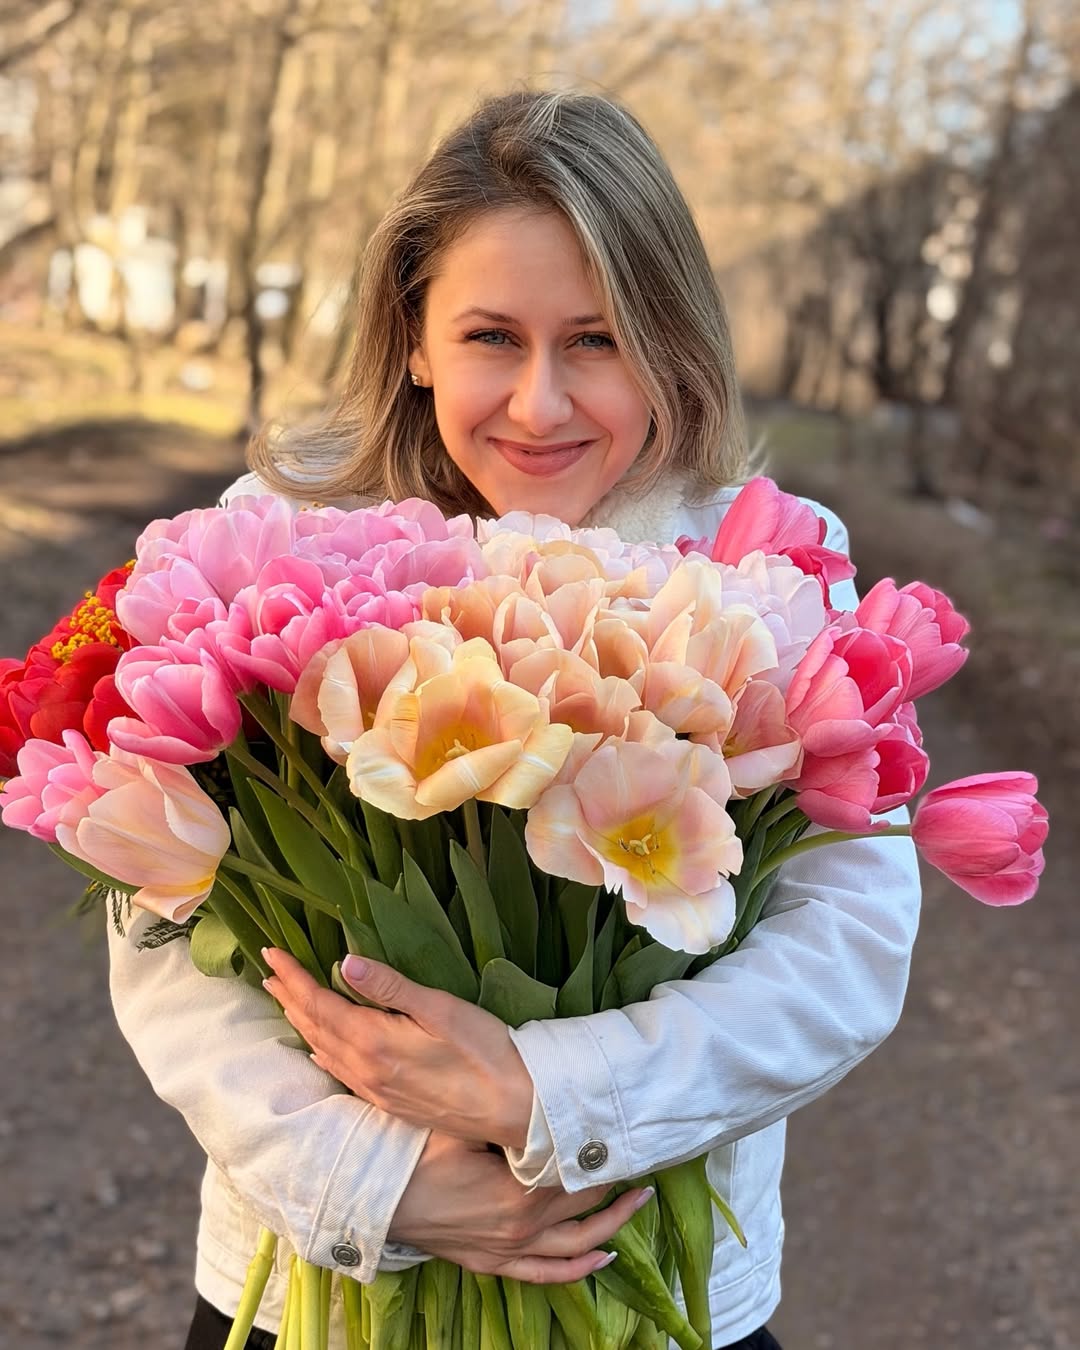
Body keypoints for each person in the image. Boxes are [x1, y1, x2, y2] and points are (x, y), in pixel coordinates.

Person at [107, 90, 921, 1350]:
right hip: (320, 1287)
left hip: (657, 1291)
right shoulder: (274, 534)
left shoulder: (764, 561)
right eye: (492, 336)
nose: (540, 405)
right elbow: (161, 930)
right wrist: (381, 1185)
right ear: (413, 337)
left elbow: (847, 944)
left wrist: (547, 1098)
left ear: (671, 341)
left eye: (598, 340)